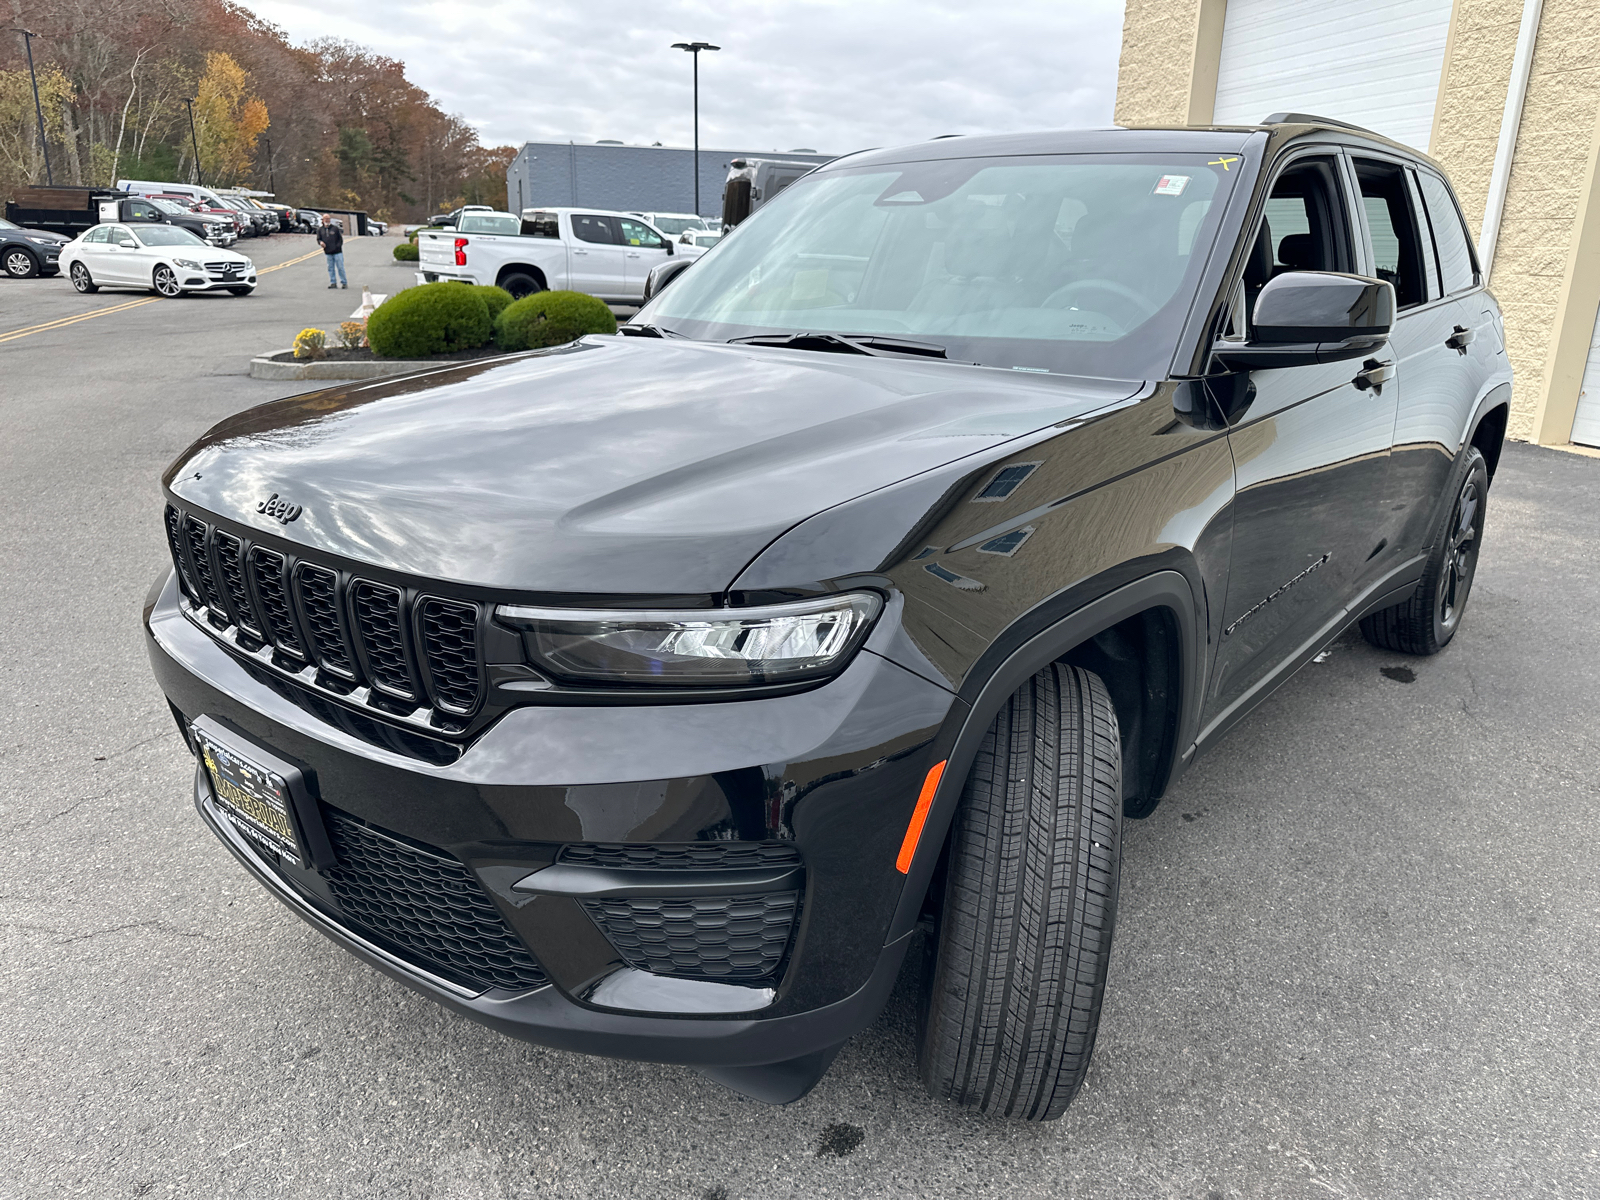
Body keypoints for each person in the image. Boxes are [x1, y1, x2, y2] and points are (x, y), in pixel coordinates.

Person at [317, 214, 346, 289]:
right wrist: (321, 242)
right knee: (330, 268)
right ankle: (333, 282)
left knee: (340, 267)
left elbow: (340, 239)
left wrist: (337, 247)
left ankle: (344, 282)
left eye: (328, 219)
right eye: (325, 219)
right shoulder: (320, 230)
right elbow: (318, 239)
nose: (327, 220)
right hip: (328, 252)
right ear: (322, 220)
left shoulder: (335, 228)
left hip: (337, 252)